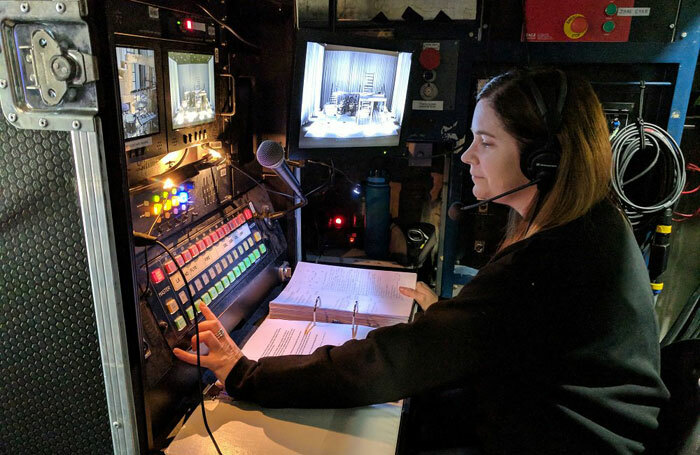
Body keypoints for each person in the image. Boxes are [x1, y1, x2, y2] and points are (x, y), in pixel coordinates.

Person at [174, 68, 669, 454]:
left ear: (545, 161)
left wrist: (245, 373)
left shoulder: (554, 259)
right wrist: (452, 320)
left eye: (487, 142)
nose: (469, 156)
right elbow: (512, 336)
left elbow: (387, 363)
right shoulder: (588, 223)